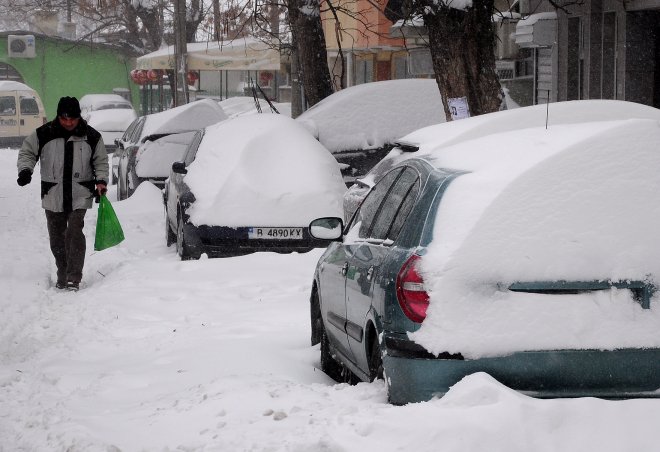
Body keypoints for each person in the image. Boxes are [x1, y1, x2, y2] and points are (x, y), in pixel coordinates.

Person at [17, 96, 108, 291]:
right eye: (64, 119)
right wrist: (26, 170)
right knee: (57, 237)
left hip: (80, 192)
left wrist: (101, 181)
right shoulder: (43, 134)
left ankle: (74, 276)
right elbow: (27, 152)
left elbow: (100, 161)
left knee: (74, 231)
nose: (68, 123)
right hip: (53, 193)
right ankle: (62, 271)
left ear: (78, 117)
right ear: (58, 116)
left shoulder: (91, 136)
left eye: (72, 119)